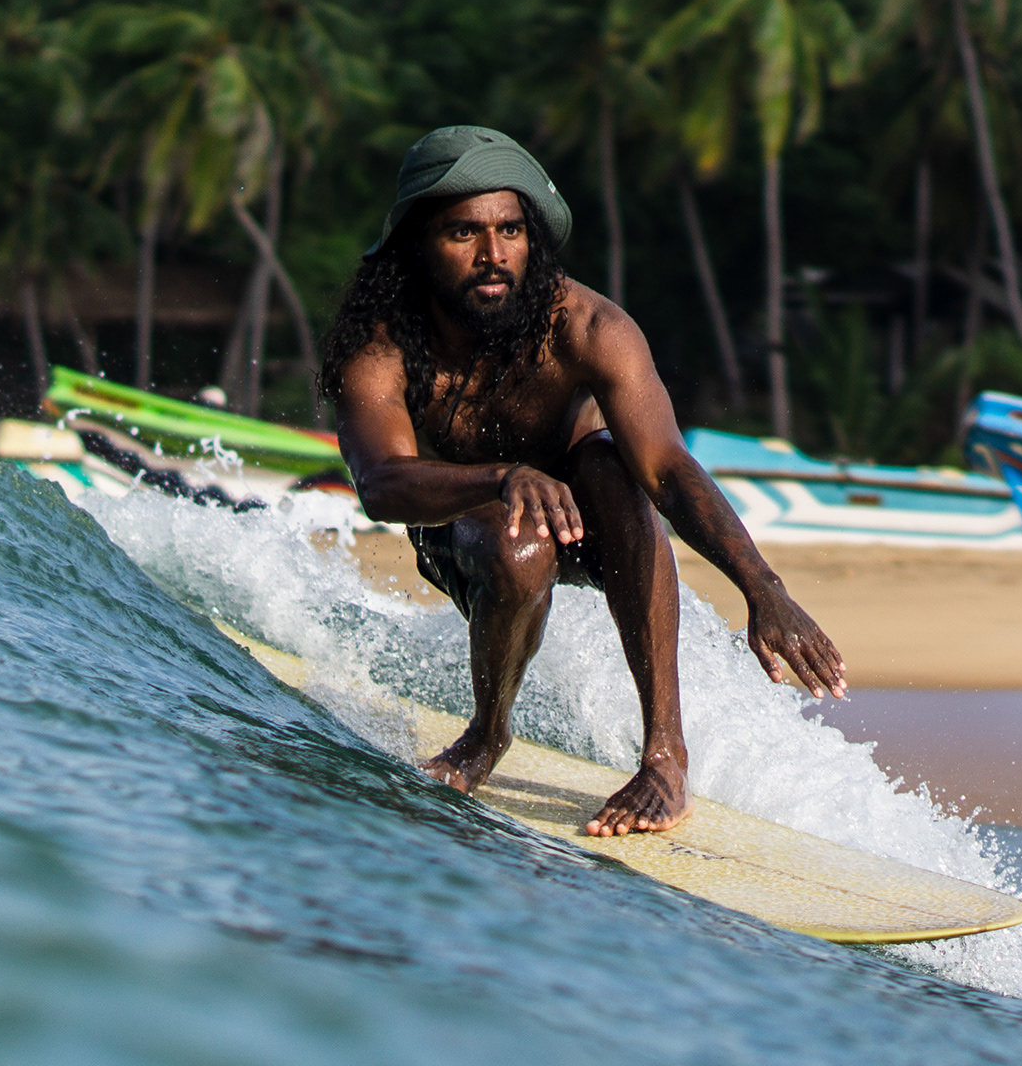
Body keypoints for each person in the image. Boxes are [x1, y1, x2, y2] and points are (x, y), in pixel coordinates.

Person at [321, 125, 846, 837]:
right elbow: (382, 485)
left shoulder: (589, 327)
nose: (492, 254)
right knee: (519, 545)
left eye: (510, 230)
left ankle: (666, 759)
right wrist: (505, 478)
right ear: (417, 244)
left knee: (609, 462)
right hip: (464, 534)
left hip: (597, 525)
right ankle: (487, 736)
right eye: (464, 233)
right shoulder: (380, 346)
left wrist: (763, 589)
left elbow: (666, 469)